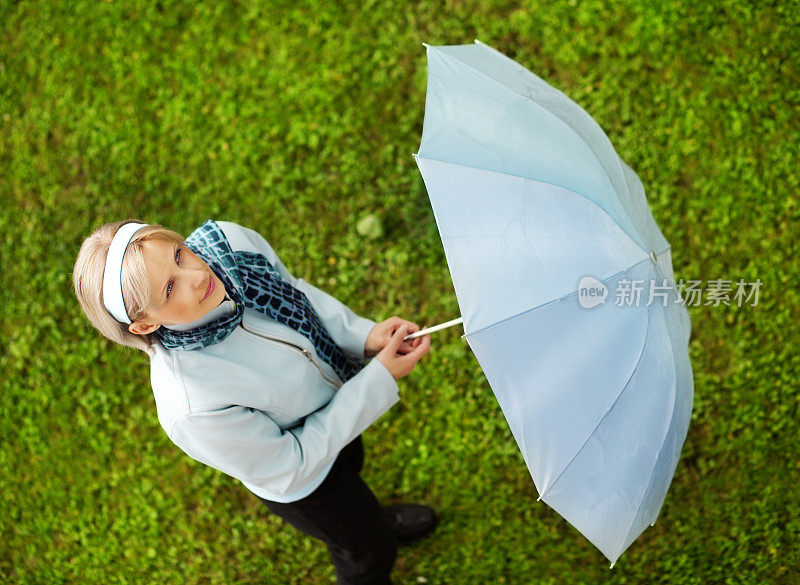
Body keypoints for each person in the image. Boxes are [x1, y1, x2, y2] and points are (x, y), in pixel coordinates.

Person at [72, 217, 435, 585]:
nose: (197, 274)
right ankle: (371, 538)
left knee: (352, 469)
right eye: (168, 288)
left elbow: (297, 295)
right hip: (306, 482)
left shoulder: (229, 245)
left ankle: (370, 519)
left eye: (179, 255)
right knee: (366, 551)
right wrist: (377, 380)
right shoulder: (192, 404)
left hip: (338, 404)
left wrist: (365, 336)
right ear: (145, 324)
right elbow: (291, 463)